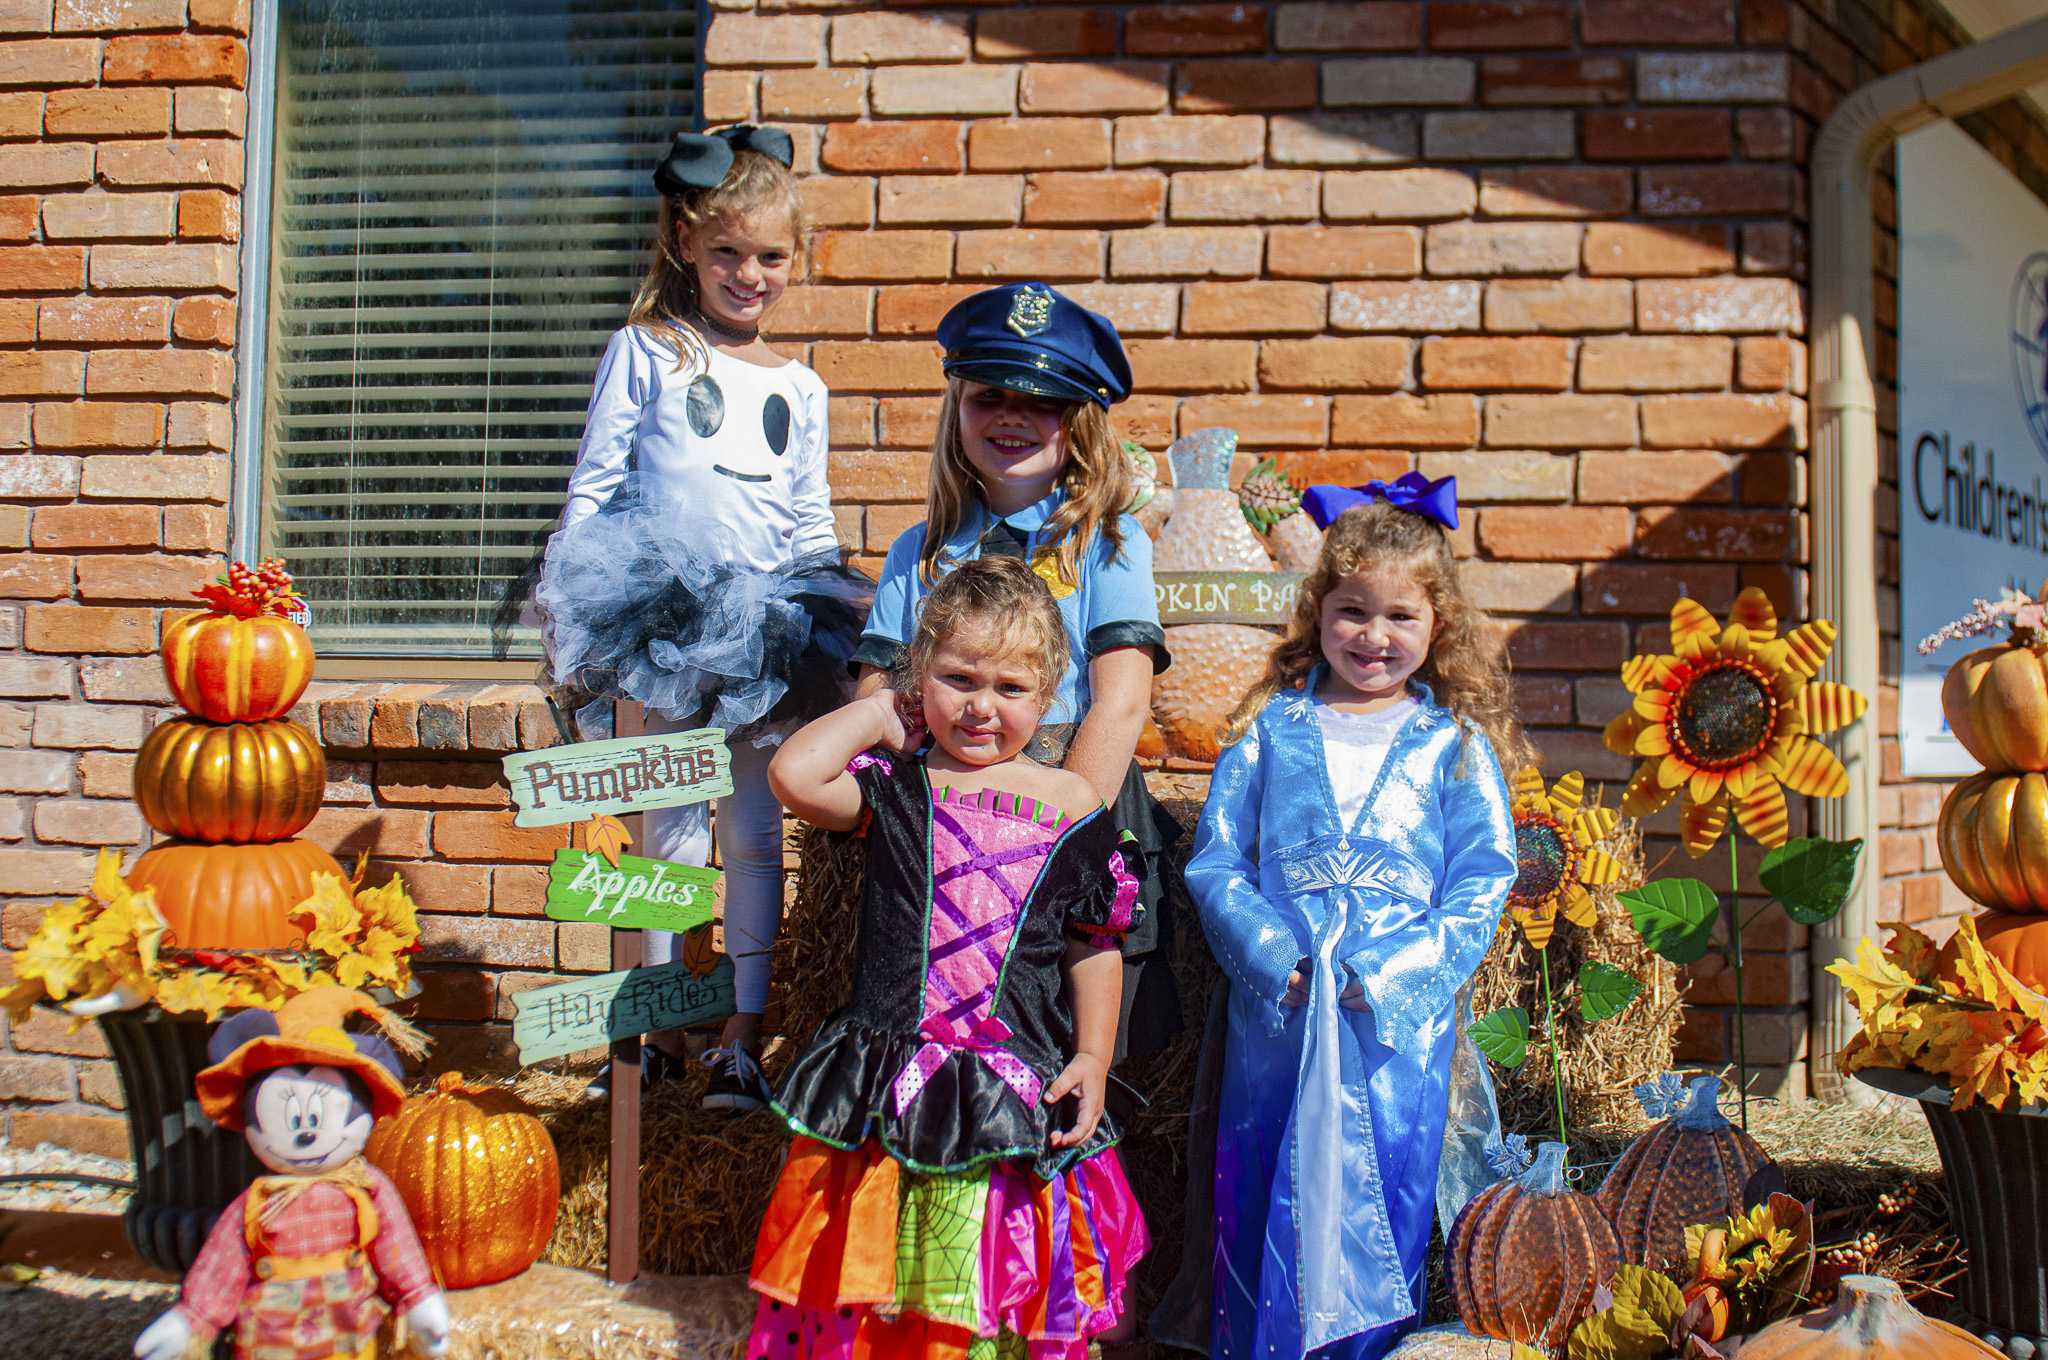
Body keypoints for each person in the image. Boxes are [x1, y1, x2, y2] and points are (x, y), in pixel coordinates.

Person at [534, 124, 866, 1110]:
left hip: (769, 639)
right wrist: (573, 620)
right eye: (726, 251)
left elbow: (809, 517)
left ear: (793, 260)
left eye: (768, 256)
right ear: (685, 243)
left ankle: (740, 1036)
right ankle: (658, 1025)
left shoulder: (800, 387)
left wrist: (827, 623)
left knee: (755, 836)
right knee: (667, 834)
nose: (746, 273)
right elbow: (595, 489)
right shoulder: (647, 352)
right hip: (665, 630)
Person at [748, 556, 1149, 1359]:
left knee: (979, 1299)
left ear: (1049, 695)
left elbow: (1094, 943)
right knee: (872, 1284)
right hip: (887, 1082)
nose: (981, 707)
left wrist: (1095, 1056)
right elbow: (792, 775)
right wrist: (876, 716)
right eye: (958, 679)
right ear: (921, 676)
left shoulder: (1072, 805)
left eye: (1010, 688)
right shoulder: (896, 787)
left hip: (1009, 1088)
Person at [1185, 475, 1525, 1360]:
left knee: (1386, 1188)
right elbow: (1218, 857)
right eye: (1351, 612)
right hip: (1285, 1010)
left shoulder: (1453, 745)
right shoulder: (1271, 730)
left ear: (1436, 626)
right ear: (1317, 612)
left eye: (1399, 617)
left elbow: (1482, 879)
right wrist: (1270, 957)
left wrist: (1392, 976)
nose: (1373, 637)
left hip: (1390, 1028)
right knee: (1267, 1188)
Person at [851, 281, 1182, 1061]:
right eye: (989, 395)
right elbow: (879, 692)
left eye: (1043, 401)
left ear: (1080, 423)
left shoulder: (1111, 541)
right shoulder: (921, 552)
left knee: (1087, 1042)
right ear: (956, 409)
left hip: (1077, 796)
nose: (1011, 417)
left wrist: (1065, 831)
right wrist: (906, 819)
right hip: (951, 827)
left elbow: (1123, 702)